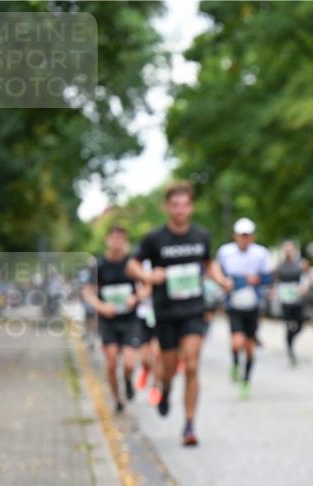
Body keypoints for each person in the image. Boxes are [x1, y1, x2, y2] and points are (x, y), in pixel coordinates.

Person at [127, 181, 231, 446]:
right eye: (175, 205)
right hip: (166, 312)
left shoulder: (201, 236)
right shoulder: (155, 238)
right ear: (167, 207)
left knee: (193, 363)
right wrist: (149, 276)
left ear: (191, 207)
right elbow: (132, 266)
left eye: (185, 205)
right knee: (169, 368)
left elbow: (209, 263)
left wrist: (220, 279)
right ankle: (165, 388)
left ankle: (189, 424)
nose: (180, 210)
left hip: (194, 309)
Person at [82, 226, 143, 413]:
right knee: (110, 361)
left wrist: (136, 297)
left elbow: (146, 284)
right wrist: (101, 306)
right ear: (107, 240)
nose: (117, 243)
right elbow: (87, 291)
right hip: (108, 320)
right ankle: (117, 400)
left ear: (125, 241)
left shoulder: (132, 264)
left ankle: (127, 380)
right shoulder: (99, 265)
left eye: (121, 239)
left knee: (129, 363)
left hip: (130, 319)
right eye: (113, 238)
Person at [216, 218, 273, 398]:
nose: (244, 239)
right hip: (234, 304)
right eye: (242, 236)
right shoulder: (225, 252)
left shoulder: (261, 254)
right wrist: (225, 283)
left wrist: (258, 280)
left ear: (252, 237)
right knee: (236, 342)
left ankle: (246, 381)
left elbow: (269, 276)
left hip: (252, 306)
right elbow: (218, 273)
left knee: (249, 348)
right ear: (236, 236)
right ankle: (234, 362)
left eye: (247, 236)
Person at [275, 241, 310, 366]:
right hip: (286, 301)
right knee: (289, 326)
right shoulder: (280, 266)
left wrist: (304, 287)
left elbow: (306, 277)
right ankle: (290, 350)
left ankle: (292, 341)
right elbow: (276, 281)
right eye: (286, 250)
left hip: (297, 300)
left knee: (300, 325)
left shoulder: (301, 264)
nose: (288, 253)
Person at [135, 259, 162, 407]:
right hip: (144, 317)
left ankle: (155, 387)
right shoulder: (140, 265)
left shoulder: (163, 263)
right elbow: (141, 293)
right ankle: (145, 370)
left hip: (160, 317)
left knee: (157, 354)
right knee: (144, 358)